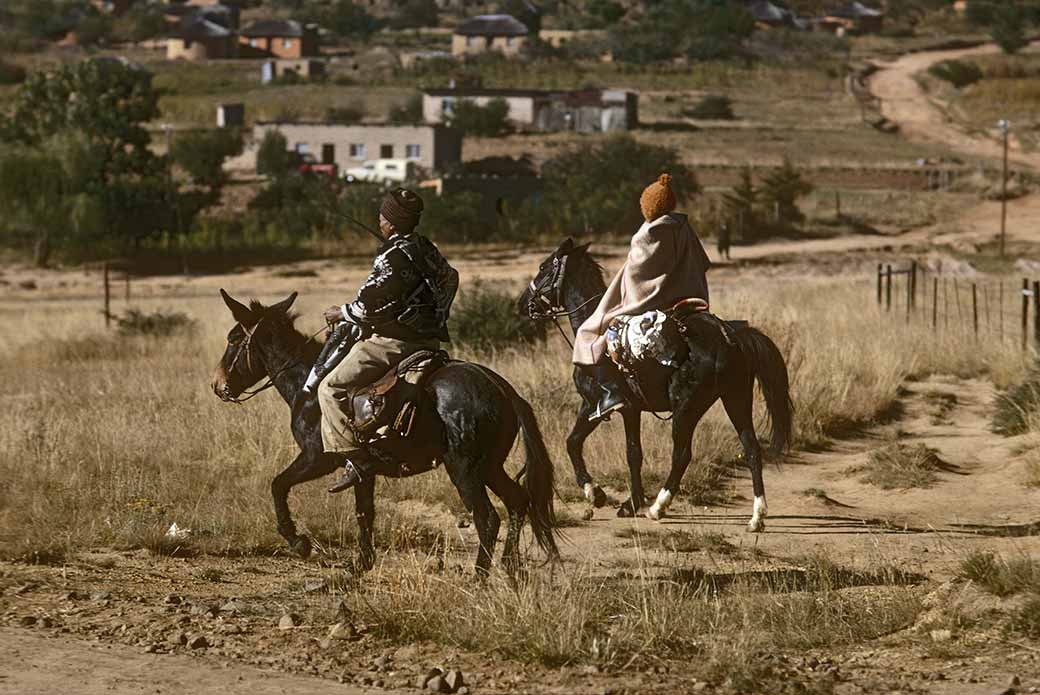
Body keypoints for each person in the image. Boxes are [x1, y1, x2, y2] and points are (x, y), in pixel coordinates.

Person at [317, 188, 459, 493]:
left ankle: (356, 459)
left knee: (330, 388)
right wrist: (437, 315)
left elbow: (368, 305)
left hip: (394, 344)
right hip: (430, 342)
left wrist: (340, 312)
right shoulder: (424, 247)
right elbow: (451, 277)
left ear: (391, 224)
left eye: (383, 216)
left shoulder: (391, 256)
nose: (379, 221)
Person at [572, 173, 712, 421]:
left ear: (648, 205)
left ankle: (611, 392)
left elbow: (636, 279)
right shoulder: (683, 227)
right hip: (686, 302)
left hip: (651, 304)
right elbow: (701, 262)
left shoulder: (647, 234)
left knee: (592, 333)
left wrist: (617, 304)